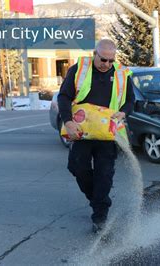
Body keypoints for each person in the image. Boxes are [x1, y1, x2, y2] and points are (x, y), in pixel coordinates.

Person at [57, 39, 134, 233]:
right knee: (77, 168)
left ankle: (100, 215)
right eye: (103, 59)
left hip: (108, 133)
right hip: (81, 131)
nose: (106, 64)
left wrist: (124, 112)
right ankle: (98, 201)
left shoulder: (122, 74)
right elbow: (64, 97)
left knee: (104, 175)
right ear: (94, 54)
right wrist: (68, 121)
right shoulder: (79, 70)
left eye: (110, 60)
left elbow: (131, 100)